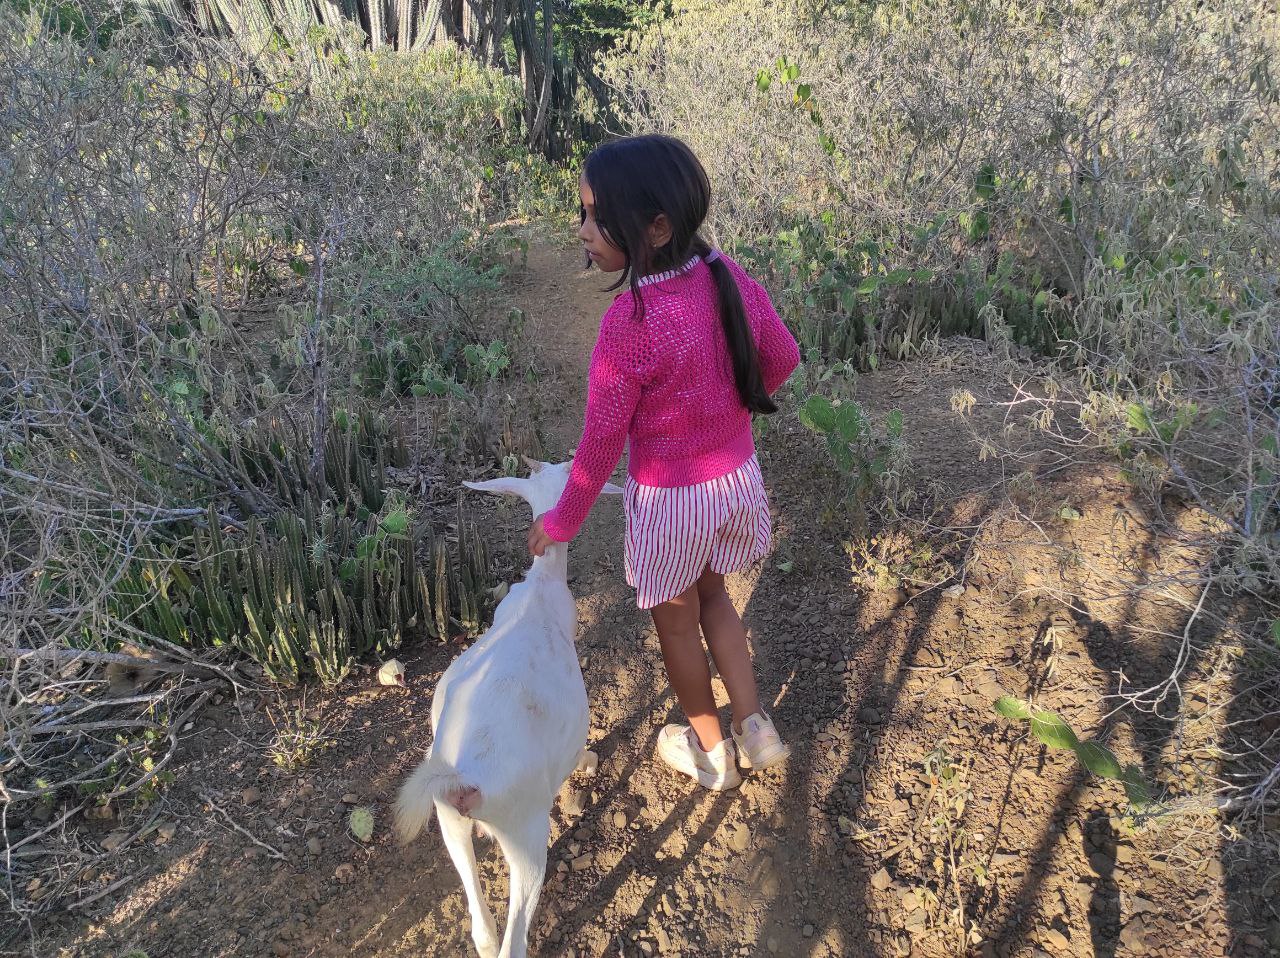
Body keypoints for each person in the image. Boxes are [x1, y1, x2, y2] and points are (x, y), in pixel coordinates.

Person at [527, 134, 801, 790]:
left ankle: (710, 752)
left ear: (655, 226)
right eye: (583, 213)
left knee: (676, 625)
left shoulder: (631, 321)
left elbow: (600, 445)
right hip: (733, 482)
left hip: (672, 503)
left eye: (598, 217)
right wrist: (727, 412)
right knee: (717, 601)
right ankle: (756, 726)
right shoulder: (723, 273)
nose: (584, 230)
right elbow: (783, 356)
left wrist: (563, 520)